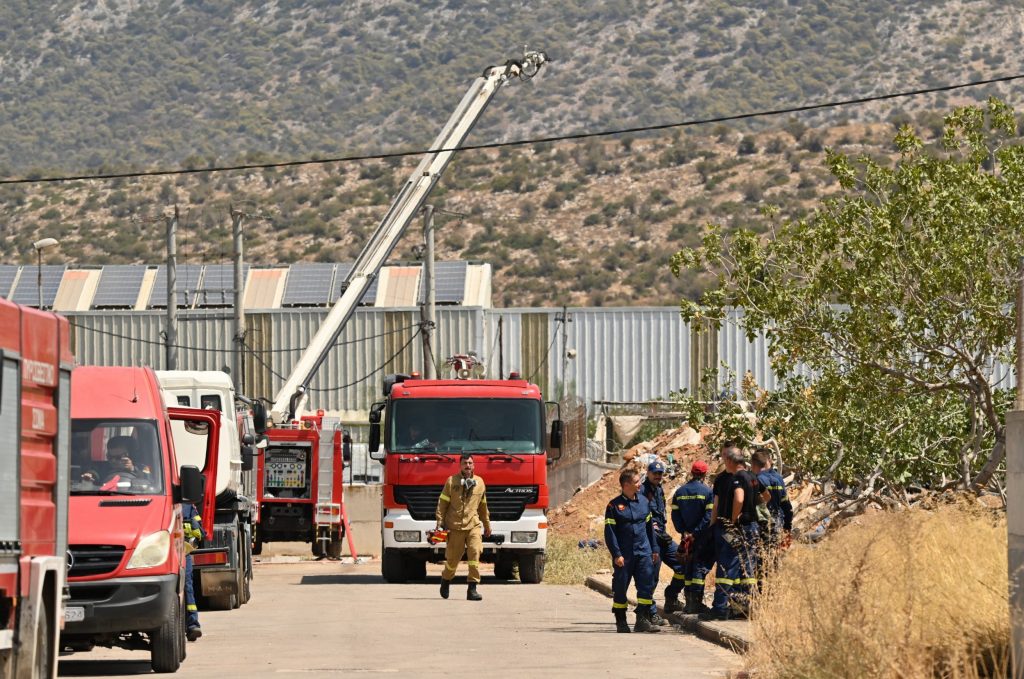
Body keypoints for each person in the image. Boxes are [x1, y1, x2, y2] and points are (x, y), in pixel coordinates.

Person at [704, 443, 760, 621]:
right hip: (749, 528)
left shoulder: (737, 478)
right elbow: (763, 498)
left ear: (729, 460)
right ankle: (743, 608)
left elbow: (735, 499)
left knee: (727, 567)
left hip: (731, 528)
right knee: (746, 569)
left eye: (723, 458)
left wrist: (733, 520)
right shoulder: (751, 477)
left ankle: (720, 608)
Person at [604, 467, 661, 634]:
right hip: (624, 555)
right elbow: (610, 533)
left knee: (646, 585)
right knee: (620, 587)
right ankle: (621, 621)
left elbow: (650, 528)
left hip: (644, 551)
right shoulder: (613, 506)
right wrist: (616, 554)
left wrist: (654, 549)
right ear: (626, 484)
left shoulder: (644, 502)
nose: (640, 484)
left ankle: (642, 620)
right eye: (637, 482)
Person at [435, 454, 490, 601]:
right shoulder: (451, 481)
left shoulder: (480, 482)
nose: (468, 465)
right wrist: (439, 523)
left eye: (470, 463)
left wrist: (487, 525)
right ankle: (446, 580)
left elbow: (483, 507)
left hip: (473, 525)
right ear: (460, 465)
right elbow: (443, 503)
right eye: (465, 463)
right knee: (452, 560)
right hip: (455, 526)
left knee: (474, 554)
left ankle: (472, 589)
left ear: (474, 465)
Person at [670, 460, 715, 614]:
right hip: (701, 538)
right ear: (704, 474)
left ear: (692, 473)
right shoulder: (708, 492)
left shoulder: (680, 492)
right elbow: (708, 517)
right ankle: (694, 604)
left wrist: (684, 532)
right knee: (698, 569)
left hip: (686, 537)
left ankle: (689, 603)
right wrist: (695, 533)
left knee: (688, 568)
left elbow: (675, 515)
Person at [640, 460, 677, 625]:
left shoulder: (659, 489)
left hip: (662, 536)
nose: (657, 476)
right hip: (650, 539)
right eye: (654, 473)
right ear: (648, 473)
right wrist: (654, 532)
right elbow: (642, 516)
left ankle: (672, 597)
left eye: (660, 473)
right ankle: (650, 612)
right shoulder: (642, 490)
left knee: (684, 563)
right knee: (651, 578)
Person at [751, 449, 793, 567]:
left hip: (760, 526)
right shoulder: (778, 479)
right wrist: (787, 528)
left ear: (754, 465)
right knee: (773, 560)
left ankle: (761, 584)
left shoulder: (756, 480)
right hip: (777, 524)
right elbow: (786, 505)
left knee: (759, 562)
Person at [182, 502, 204, 641]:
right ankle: (191, 625)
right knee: (186, 587)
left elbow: (199, 532)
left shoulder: (187, 506)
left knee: (187, 586)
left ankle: (192, 625)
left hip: (182, 551)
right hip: (161, 551)